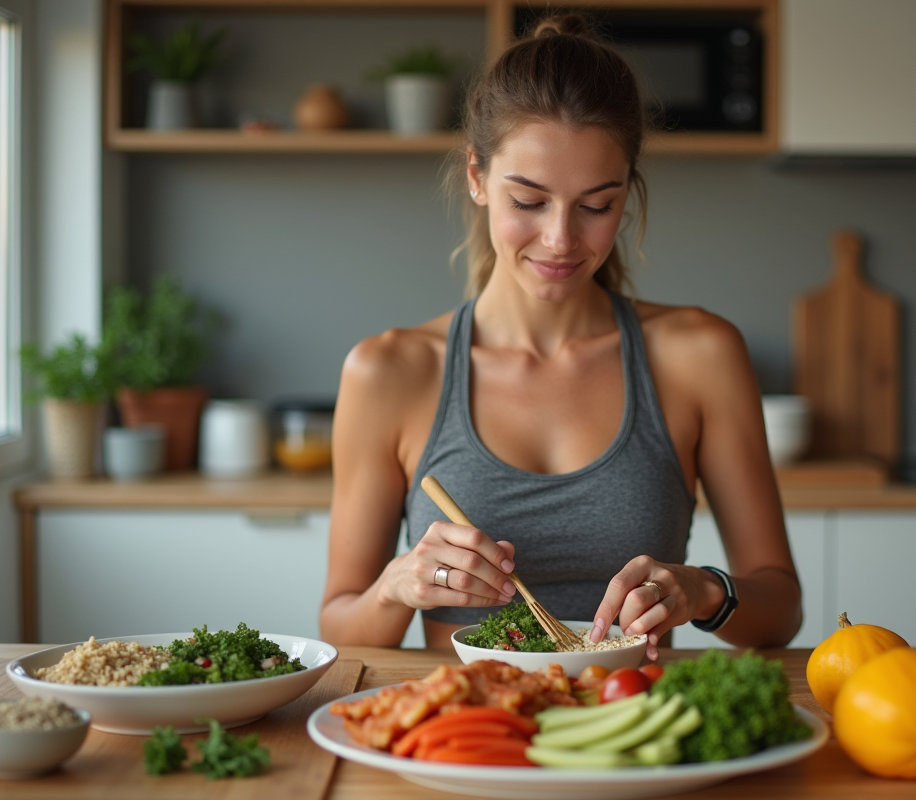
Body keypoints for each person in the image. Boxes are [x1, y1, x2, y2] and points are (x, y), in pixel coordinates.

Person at [320, 14, 801, 660]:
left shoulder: (700, 354)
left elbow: (781, 611)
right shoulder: (389, 372)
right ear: (477, 177)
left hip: (635, 731)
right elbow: (339, 624)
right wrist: (397, 587)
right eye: (529, 201)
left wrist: (702, 591)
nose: (560, 240)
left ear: (626, 194)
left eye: (596, 206)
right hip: (471, 739)